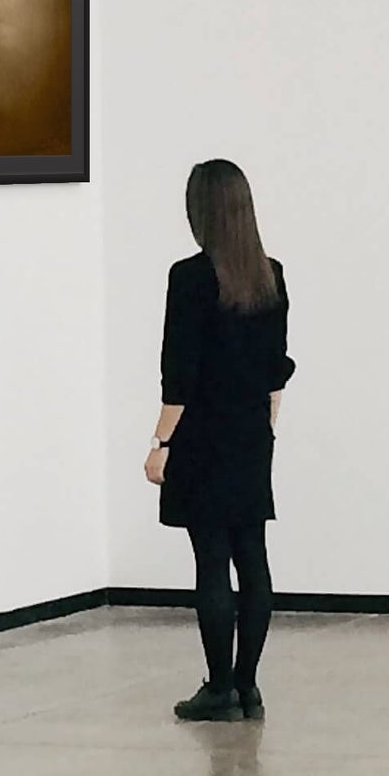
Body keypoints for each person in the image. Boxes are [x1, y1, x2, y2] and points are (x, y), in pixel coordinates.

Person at [145, 160, 294, 722]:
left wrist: (160, 443)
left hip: (202, 435)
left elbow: (179, 373)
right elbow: (276, 366)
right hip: (251, 431)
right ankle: (248, 686)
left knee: (211, 560)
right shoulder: (270, 274)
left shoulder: (188, 277)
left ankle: (219, 687)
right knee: (252, 555)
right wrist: (265, 426)